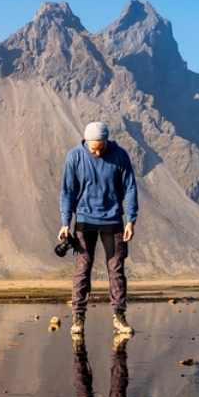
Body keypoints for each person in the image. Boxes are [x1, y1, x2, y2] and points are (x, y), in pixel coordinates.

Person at [58, 120, 139, 337]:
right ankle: (78, 317)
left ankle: (119, 317)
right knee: (82, 270)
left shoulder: (120, 156)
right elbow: (67, 190)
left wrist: (131, 219)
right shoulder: (75, 156)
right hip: (85, 221)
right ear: (86, 141)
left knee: (116, 270)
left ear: (106, 141)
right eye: (92, 146)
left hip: (113, 222)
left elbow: (130, 187)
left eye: (99, 145)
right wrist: (65, 223)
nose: (96, 150)